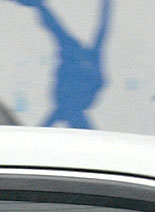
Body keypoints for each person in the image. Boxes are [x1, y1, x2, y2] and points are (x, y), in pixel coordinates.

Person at [12, 0, 111, 129]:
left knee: (60, 32)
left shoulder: (68, 108)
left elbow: (102, 29)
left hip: (76, 76)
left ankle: (39, 6)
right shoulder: (71, 107)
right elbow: (102, 28)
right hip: (76, 78)